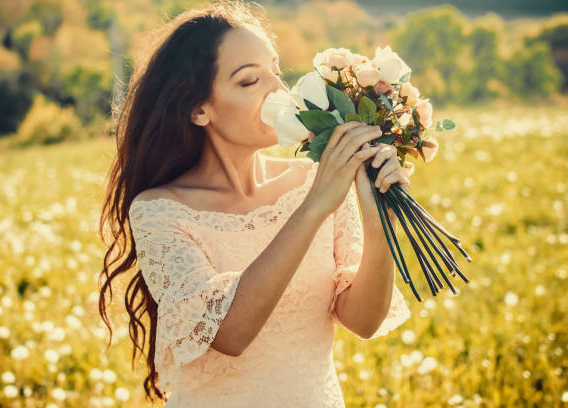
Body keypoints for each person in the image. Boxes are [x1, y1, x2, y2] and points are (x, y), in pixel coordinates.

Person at [98, 1, 412, 406]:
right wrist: (314, 208)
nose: (278, 91)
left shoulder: (315, 181)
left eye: (276, 73)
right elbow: (229, 333)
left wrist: (379, 221)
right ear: (198, 109)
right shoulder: (159, 211)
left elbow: (363, 322)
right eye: (249, 81)